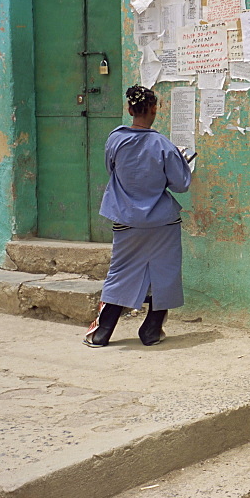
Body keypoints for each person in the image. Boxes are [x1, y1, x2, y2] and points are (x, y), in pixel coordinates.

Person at [83, 85, 193, 348]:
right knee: (163, 274)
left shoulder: (115, 140)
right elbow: (180, 184)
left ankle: (102, 333)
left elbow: (112, 170)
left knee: (119, 273)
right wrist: (182, 162)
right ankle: (151, 331)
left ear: (129, 109)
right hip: (162, 222)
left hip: (125, 219)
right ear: (155, 109)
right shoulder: (163, 145)